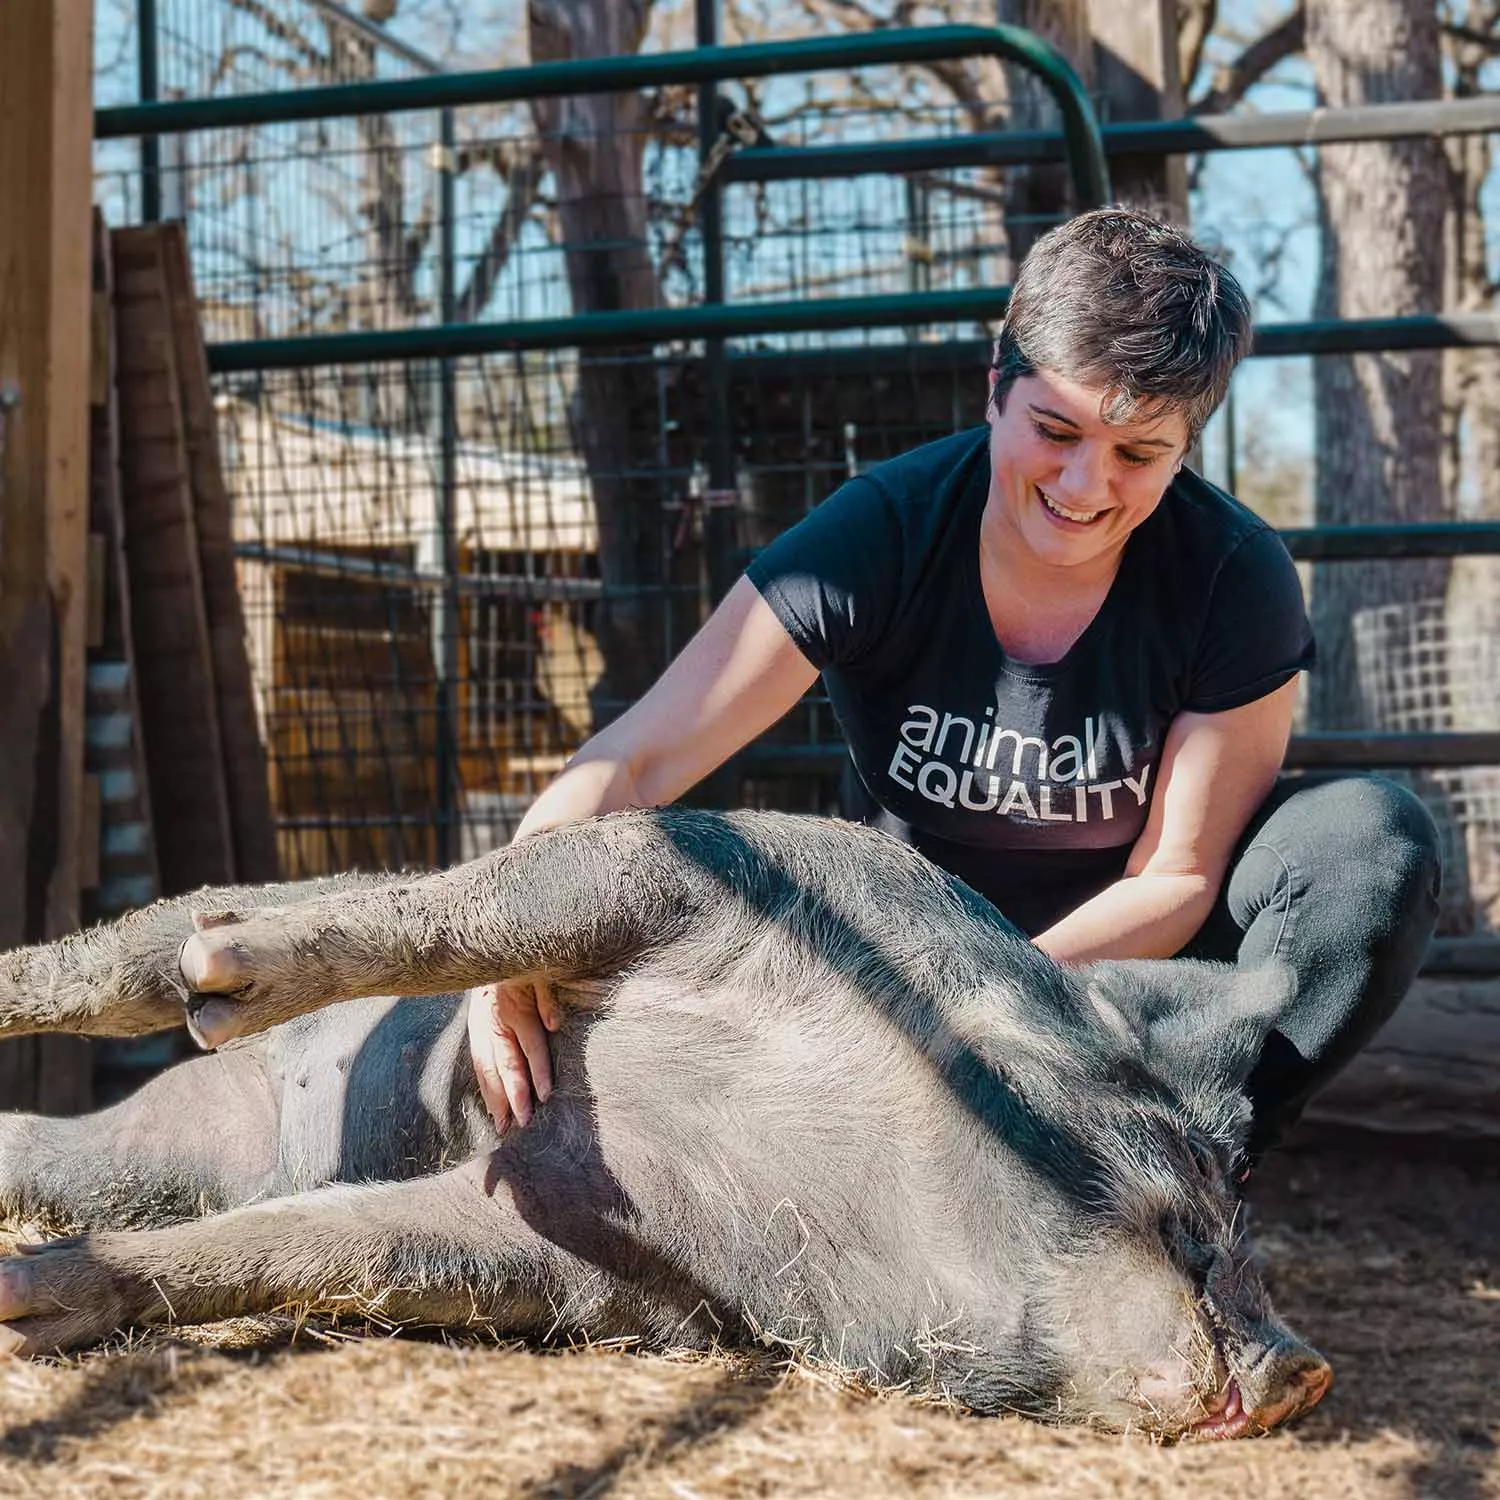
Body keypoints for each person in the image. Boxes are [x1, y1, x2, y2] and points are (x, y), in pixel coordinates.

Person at [468, 206, 1441, 1166]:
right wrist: (502, 937)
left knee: (1370, 841)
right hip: (901, 965)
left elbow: (1177, 874)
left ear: (1186, 446)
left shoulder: (1234, 572)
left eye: (1140, 452)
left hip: (1119, 985)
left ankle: (1198, 1175)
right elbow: (638, 755)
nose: (1085, 485)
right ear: (996, 388)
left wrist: (999, 1007)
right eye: (1054, 429)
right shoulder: (882, 530)